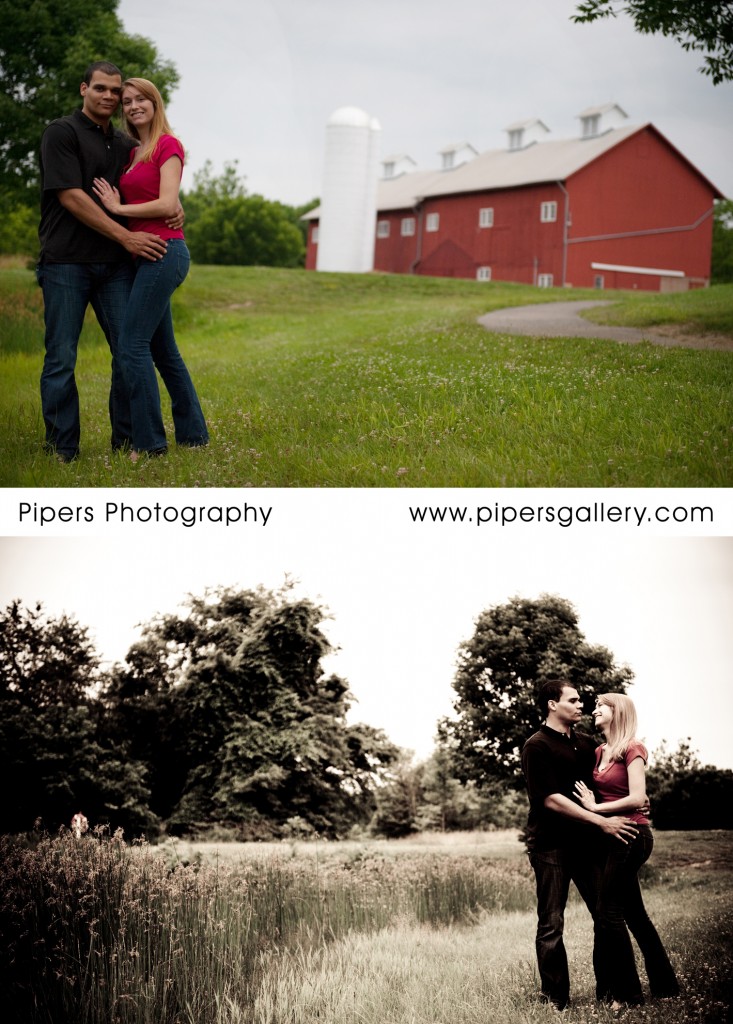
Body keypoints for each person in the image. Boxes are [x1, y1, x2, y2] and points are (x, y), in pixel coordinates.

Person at [38, 60, 178, 462]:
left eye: (116, 91)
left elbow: (150, 182)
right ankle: (62, 449)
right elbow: (71, 196)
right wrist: (126, 236)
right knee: (62, 356)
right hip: (65, 261)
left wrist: (175, 205)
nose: (109, 97)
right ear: (84, 89)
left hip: (116, 265)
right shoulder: (60, 133)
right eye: (100, 88)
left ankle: (126, 442)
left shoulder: (126, 145)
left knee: (127, 351)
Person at [93, 78, 208, 460]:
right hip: (141, 258)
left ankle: (149, 444)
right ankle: (193, 435)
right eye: (126, 101)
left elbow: (166, 203)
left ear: (155, 103)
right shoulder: (132, 153)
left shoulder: (168, 145)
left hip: (165, 252)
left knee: (132, 344)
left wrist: (118, 209)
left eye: (140, 98)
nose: (132, 105)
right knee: (164, 351)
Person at [521, 680, 640, 1010]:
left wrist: (635, 804)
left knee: (605, 916)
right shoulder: (536, 746)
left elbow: (606, 787)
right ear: (551, 704)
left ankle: (608, 991)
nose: (581, 706)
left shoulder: (588, 744)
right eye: (573, 700)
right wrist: (602, 822)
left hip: (588, 845)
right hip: (550, 846)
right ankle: (555, 997)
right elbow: (551, 800)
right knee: (551, 924)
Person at [574, 693, 680, 1009]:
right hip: (612, 838)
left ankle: (629, 995)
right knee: (634, 914)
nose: (594, 710)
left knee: (608, 913)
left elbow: (637, 797)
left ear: (617, 712)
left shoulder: (633, 748)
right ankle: (666, 987)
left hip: (633, 834)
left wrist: (597, 806)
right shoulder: (598, 752)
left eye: (600, 706)